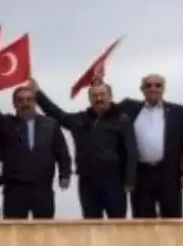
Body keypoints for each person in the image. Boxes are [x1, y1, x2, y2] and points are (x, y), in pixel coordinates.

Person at [33, 77, 137, 219]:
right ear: (89, 99)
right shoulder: (80, 120)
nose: (99, 98)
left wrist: (129, 180)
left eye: (102, 95)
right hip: (87, 182)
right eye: (94, 96)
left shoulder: (122, 120)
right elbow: (58, 115)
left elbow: (131, 151)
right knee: (91, 224)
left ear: (110, 96)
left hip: (113, 181)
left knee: (117, 224)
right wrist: (38, 94)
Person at [106, 72, 183, 218]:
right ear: (142, 89)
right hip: (141, 174)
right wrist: (99, 80)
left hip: (169, 173)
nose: (153, 88)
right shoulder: (130, 108)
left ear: (163, 89)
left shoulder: (178, 111)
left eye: (157, 85)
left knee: (172, 219)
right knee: (142, 221)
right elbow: (107, 106)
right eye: (148, 85)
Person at [0, 77, 72, 219]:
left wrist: (65, 174)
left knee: (44, 232)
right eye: (20, 100)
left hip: (43, 188)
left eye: (29, 99)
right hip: (15, 189)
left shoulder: (51, 124)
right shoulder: (7, 123)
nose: (25, 103)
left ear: (35, 102)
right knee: (14, 233)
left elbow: (62, 153)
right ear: (14, 104)